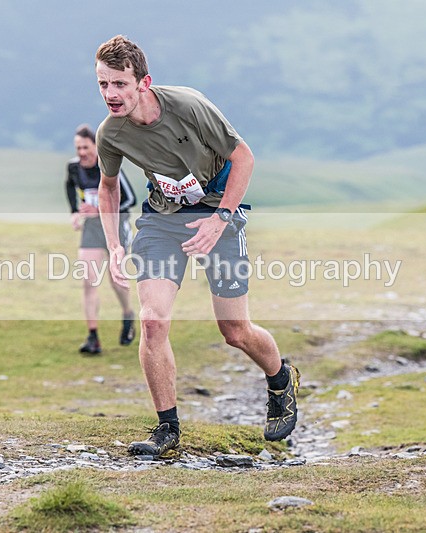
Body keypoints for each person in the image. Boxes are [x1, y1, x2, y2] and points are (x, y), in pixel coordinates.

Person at [93, 35, 301, 457]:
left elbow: (244, 158)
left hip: (218, 211)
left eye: (119, 84)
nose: (110, 94)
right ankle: (166, 429)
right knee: (153, 321)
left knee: (234, 330)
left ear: (143, 83)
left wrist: (220, 219)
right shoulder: (110, 133)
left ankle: (280, 379)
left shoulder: (188, 106)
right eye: (103, 84)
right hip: (161, 219)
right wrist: (114, 245)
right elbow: (108, 187)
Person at [65, 123, 137, 354]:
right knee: (88, 280)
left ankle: (127, 313)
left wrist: (100, 211)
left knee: (116, 280)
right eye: (78, 148)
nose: (81, 152)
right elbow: (69, 186)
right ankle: (93, 337)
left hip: (115, 227)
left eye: (85, 147)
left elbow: (130, 199)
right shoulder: (74, 168)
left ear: (96, 147)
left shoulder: (109, 166)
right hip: (92, 229)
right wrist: (75, 212)